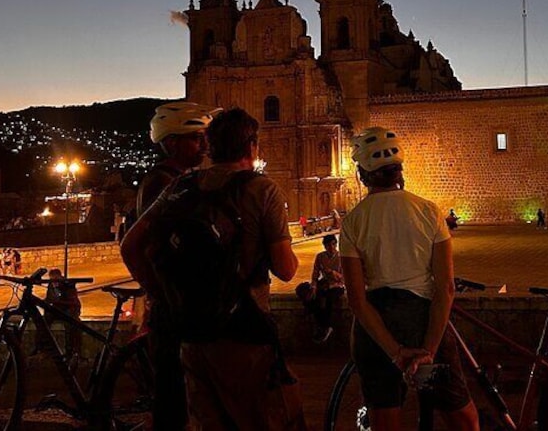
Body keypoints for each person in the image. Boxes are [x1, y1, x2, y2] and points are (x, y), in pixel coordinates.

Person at [122, 107, 307, 430]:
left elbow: (130, 246)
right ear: (252, 146)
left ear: (211, 144)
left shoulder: (183, 185)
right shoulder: (261, 189)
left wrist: (163, 294)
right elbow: (286, 269)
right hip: (243, 331)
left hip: (192, 336)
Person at [339, 127, 479, 431]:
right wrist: (429, 348)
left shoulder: (353, 222)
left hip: (377, 324)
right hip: (424, 316)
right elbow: (445, 287)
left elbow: (357, 300)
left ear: (363, 174)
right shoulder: (429, 211)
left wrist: (395, 352)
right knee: (462, 418)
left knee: (386, 419)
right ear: (399, 170)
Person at [132, 101, 220, 431]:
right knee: (172, 402)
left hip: (182, 306)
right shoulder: (162, 183)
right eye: (195, 138)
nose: (204, 144)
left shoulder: (180, 179)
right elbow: (144, 246)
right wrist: (159, 294)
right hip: (172, 311)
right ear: (171, 142)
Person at [34, 268, 82, 359]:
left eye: (56, 280)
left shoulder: (68, 285)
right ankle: (42, 348)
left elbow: (72, 301)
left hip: (68, 310)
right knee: (42, 322)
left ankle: (70, 351)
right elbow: (49, 298)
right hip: (56, 309)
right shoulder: (51, 286)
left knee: (70, 325)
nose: (54, 283)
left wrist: (58, 303)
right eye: (52, 280)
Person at [309, 234, 345, 343]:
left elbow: (344, 279)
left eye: (333, 244)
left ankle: (326, 326)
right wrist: (314, 286)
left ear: (336, 244)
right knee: (313, 297)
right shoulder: (320, 257)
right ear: (324, 246)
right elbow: (315, 275)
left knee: (329, 298)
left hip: (337, 286)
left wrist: (332, 273)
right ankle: (322, 326)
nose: (331, 247)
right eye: (328, 245)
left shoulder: (341, 258)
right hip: (325, 285)